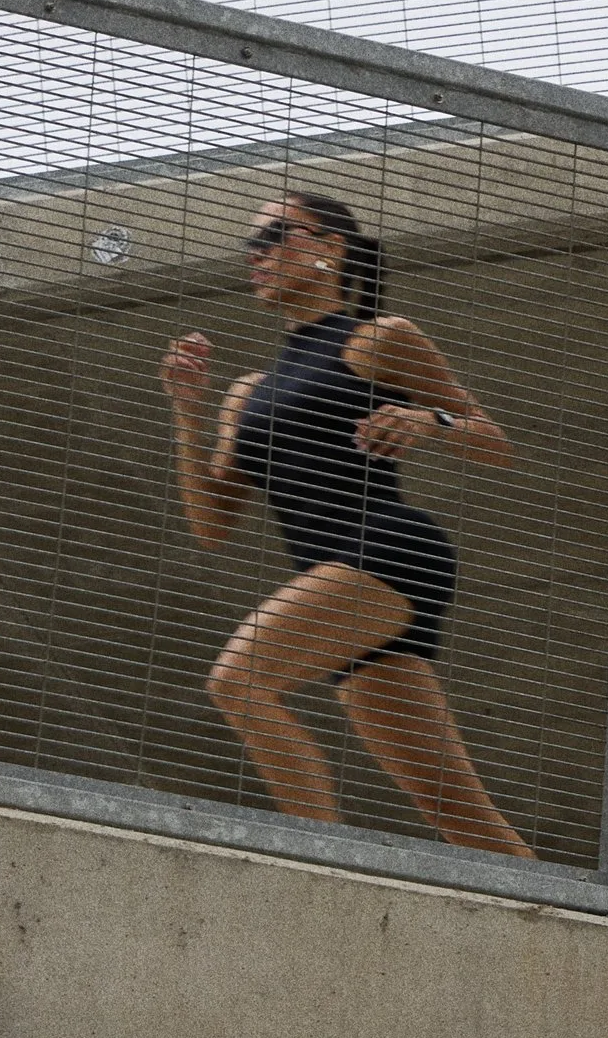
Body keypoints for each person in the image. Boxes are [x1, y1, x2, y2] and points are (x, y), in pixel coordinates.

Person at [160, 195, 531, 857]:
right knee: (467, 825)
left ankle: (317, 866)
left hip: (389, 550)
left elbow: (494, 442)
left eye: (276, 235)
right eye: (251, 244)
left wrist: (431, 421)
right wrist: (188, 412)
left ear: (331, 247)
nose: (258, 255)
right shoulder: (246, 391)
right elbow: (213, 525)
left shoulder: (380, 338)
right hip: (334, 584)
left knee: (236, 682)